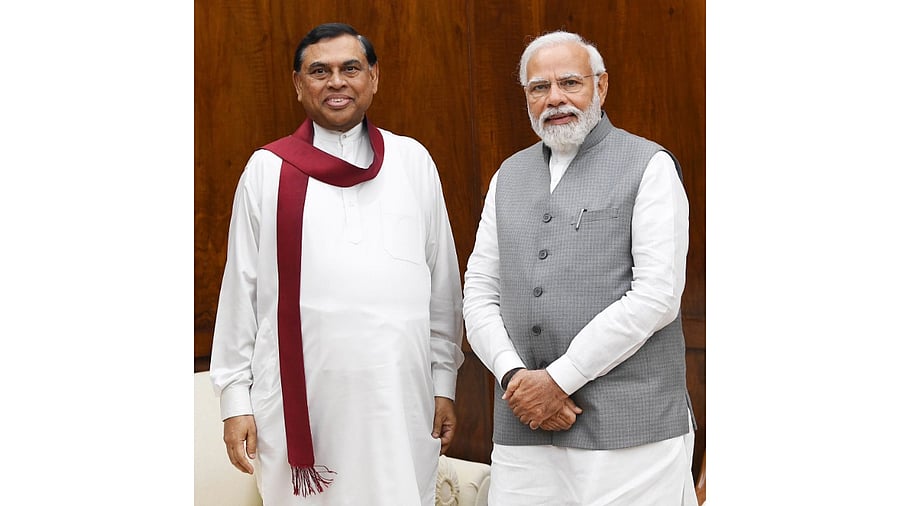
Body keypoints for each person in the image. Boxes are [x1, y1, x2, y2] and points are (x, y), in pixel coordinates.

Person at [209, 22, 464, 505]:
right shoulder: (269, 168)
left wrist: (445, 382)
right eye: (319, 71)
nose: (336, 82)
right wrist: (234, 402)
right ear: (298, 84)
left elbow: (442, 286)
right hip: (300, 401)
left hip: (400, 395)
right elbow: (240, 291)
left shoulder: (412, 162)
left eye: (351, 68)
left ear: (373, 77)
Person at [463, 30, 699, 505]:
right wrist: (514, 379)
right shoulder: (507, 176)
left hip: (632, 430)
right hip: (523, 426)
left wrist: (557, 380)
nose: (555, 99)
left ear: (601, 87)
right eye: (538, 88)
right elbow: (479, 292)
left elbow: (657, 297)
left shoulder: (649, 165)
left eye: (570, 83)